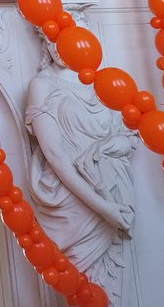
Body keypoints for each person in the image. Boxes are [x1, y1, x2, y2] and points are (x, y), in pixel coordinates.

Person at [25, 41, 137, 275]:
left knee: (117, 275)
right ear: (44, 43)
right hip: (71, 196)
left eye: (64, 40)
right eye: (50, 41)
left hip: (113, 186)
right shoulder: (41, 85)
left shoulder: (102, 80)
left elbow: (127, 136)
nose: (58, 48)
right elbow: (54, 154)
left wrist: (111, 145)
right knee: (77, 279)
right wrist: (104, 208)